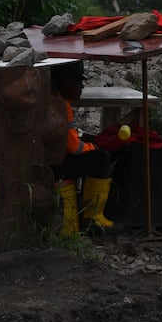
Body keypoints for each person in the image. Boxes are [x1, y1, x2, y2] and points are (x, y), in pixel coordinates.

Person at [49, 60, 120, 232]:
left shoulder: (53, 100)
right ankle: (93, 217)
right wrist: (93, 147)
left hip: (50, 160)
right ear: (65, 83)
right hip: (57, 165)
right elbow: (75, 148)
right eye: (78, 83)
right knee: (101, 159)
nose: (81, 87)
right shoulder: (61, 106)